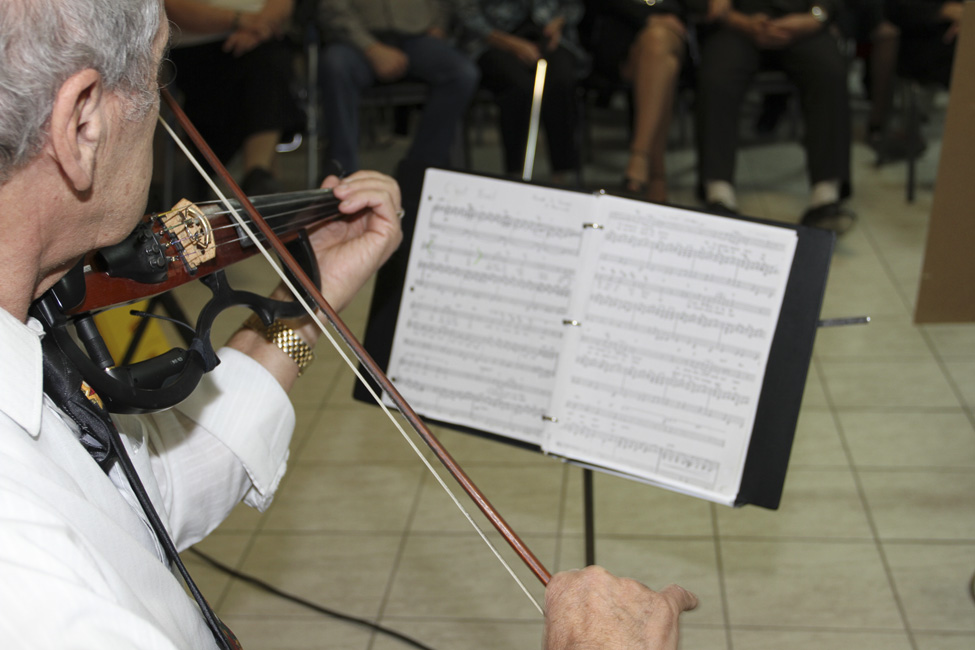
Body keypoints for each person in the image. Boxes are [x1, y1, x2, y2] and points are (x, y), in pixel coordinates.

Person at [0, 0, 698, 647]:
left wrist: (308, 299)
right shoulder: (26, 577)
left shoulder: (26, 324)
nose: (162, 114)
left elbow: (148, 495)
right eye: (157, 81)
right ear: (82, 121)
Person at [694, 0, 855, 233]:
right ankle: (718, 192)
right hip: (738, 21)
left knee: (830, 72)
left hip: (802, 19)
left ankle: (826, 194)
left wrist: (815, 17)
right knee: (716, 78)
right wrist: (734, 18)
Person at [586, 0, 730, 203]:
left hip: (674, 27)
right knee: (664, 64)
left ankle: (640, 156)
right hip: (623, 26)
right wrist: (646, 15)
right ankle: (656, 176)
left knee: (658, 42)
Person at [316, 0, 480, 174]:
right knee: (335, 65)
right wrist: (371, 48)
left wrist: (439, 25)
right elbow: (332, 8)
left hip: (417, 37)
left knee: (462, 73)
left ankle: (420, 168)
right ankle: (341, 171)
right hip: (357, 39)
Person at [165, 0, 302, 195]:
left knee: (269, 63)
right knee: (260, 74)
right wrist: (241, 20)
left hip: (261, 39)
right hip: (197, 45)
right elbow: (171, 6)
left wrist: (258, 26)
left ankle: (257, 175)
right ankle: (257, 176)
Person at [453, 0, 589, 183]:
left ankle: (564, 172)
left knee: (561, 79)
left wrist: (559, 22)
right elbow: (466, 12)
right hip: (491, 40)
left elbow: (574, 5)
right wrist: (509, 43)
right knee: (519, 86)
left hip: (549, 36)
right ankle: (515, 172)